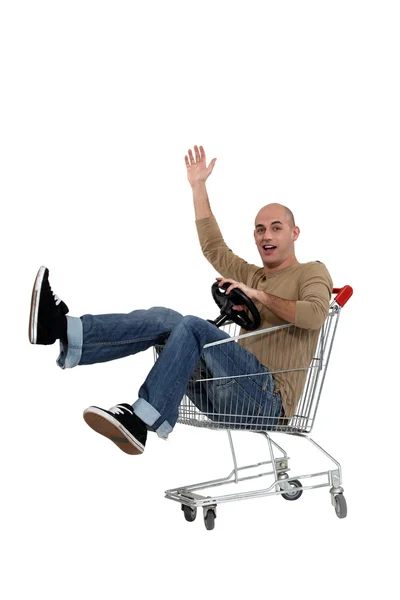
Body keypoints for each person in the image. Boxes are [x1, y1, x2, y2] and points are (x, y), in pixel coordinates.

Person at [29, 145, 333, 456]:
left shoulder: (312, 273)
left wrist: (259, 297)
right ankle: (61, 328)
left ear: (294, 233)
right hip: (227, 391)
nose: (266, 236)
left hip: (268, 400)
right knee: (168, 320)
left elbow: (314, 316)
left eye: (276, 228)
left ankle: (141, 418)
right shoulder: (255, 275)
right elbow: (215, 249)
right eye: (259, 230)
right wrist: (198, 185)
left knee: (193, 327)